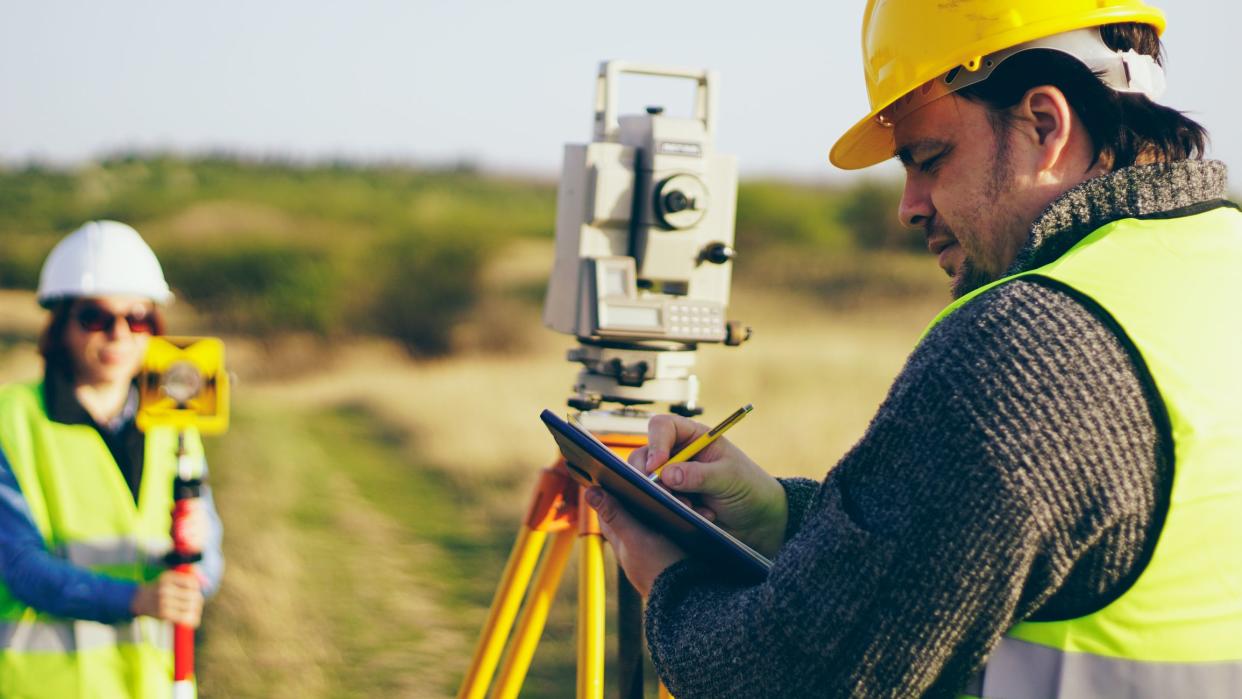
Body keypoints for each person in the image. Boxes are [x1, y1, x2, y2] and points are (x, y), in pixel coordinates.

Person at [585, 1, 1242, 696]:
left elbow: (798, 678)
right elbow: (1050, 543)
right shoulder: (1216, 264)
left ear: (1044, 125)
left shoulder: (1030, 346)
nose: (910, 205)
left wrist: (672, 579)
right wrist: (782, 517)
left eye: (929, 158)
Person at [0, 221, 224, 697]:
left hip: (153, 682)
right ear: (59, 326)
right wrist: (139, 599)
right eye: (95, 317)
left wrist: (200, 566)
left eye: (137, 317)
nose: (119, 333)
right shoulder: (11, 420)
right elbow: (19, 567)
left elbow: (210, 555)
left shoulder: (176, 422)